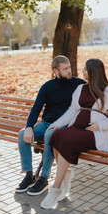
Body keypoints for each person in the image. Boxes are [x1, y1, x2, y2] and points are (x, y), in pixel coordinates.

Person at [41, 58, 108, 209]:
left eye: (85, 69)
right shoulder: (80, 88)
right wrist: (57, 124)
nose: (83, 71)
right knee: (57, 135)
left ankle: (55, 189)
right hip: (76, 128)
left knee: (66, 141)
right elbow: (72, 111)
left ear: (93, 72)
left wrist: (100, 125)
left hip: (93, 133)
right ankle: (64, 175)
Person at [16, 55, 86, 195]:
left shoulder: (78, 83)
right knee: (22, 134)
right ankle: (29, 175)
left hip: (64, 126)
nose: (69, 71)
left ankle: (44, 178)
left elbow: (98, 92)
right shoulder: (47, 86)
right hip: (47, 123)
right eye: (65, 68)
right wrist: (29, 127)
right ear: (56, 71)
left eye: (69, 67)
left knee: (50, 134)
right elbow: (36, 108)